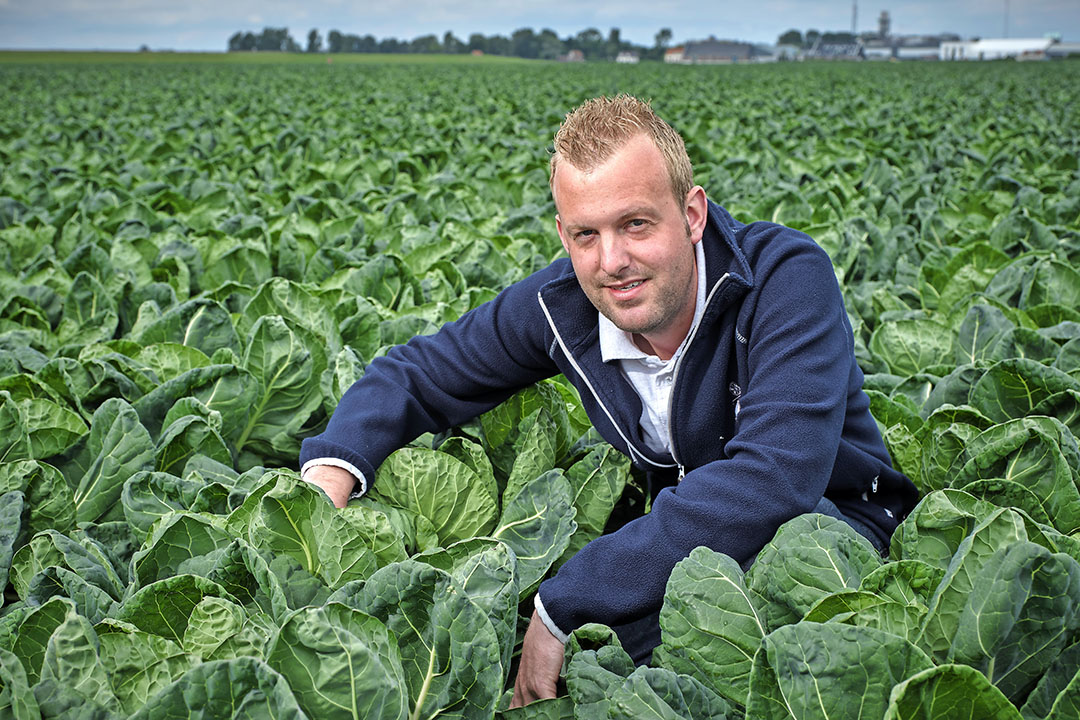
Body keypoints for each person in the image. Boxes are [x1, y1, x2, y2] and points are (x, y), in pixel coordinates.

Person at [299, 95, 919, 708]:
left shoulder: (784, 278)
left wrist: (564, 602)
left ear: (693, 214)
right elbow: (420, 372)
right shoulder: (561, 305)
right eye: (585, 234)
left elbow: (773, 479)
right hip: (680, 550)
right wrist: (332, 468)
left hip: (825, 541)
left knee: (610, 661)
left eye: (636, 224)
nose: (612, 261)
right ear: (564, 236)